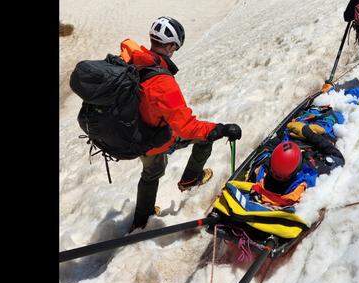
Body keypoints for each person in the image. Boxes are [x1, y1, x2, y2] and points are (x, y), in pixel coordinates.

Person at [122, 16, 242, 231]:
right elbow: (186, 127)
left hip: (134, 131)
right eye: (174, 47)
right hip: (155, 138)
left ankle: (141, 220)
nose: (174, 51)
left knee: (150, 174)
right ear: (169, 46)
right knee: (205, 137)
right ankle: (190, 179)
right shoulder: (162, 83)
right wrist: (220, 129)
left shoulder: (134, 62)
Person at [251, 124, 344, 207]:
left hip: (291, 140)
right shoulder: (309, 175)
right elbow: (338, 158)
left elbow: (269, 148)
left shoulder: (261, 172)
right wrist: (309, 134)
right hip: (312, 138)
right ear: (297, 169)